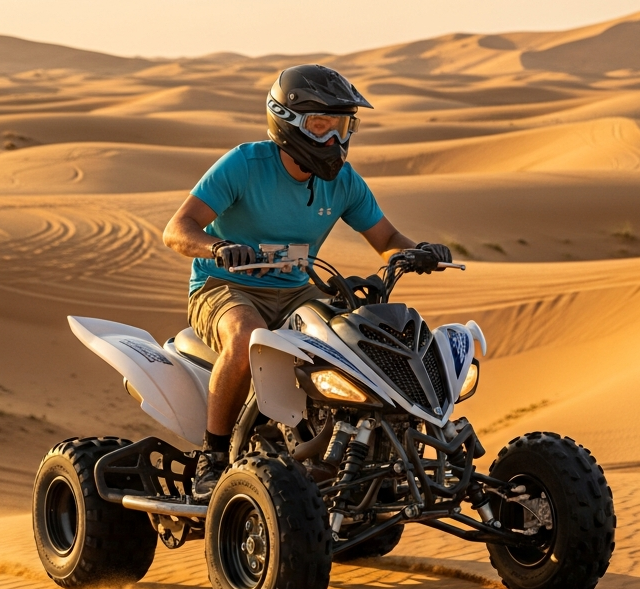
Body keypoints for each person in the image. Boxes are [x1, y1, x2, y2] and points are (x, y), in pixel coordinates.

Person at [162, 64, 451, 499]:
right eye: (322, 125)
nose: (335, 139)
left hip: (298, 290)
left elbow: (387, 239)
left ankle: (360, 452)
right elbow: (177, 229)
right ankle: (213, 457)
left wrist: (415, 252)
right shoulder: (244, 164)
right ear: (288, 122)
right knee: (244, 338)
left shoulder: (344, 183)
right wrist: (217, 248)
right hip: (224, 286)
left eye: (342, 126)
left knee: (358, 338)